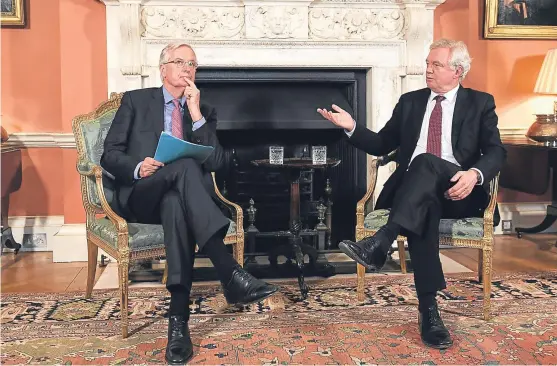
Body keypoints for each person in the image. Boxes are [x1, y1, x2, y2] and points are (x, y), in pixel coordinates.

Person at [317, 39, 506, 350]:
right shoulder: (410, 102)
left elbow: (497, 152)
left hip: (461, 190)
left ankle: (382, 239)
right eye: (427, 63)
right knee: (423, 200)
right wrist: (351, 127)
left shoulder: (480, 103)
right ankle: (429, 312)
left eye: (436, 65)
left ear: (457, 71)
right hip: (416, 194)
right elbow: (381, 145)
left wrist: (474, 175)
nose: (427, 70)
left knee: (425, 164)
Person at [101, 43, 278, 364]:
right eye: (179, 62)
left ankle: (178, 323)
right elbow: (109, 154)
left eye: (193, 64)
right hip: (140, 194)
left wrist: (195, 114)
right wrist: (139, 166)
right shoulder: (136, 101)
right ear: (163, 69)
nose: (187, 69)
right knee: (181, 168)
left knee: (175, 203)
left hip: (177, 201)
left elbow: (219, 164)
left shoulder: (203, 111)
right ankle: (228, 271)